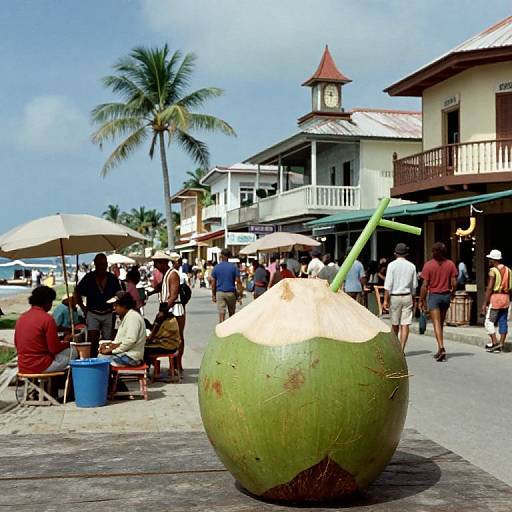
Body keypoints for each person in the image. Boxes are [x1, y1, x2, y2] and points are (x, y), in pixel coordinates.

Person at [14, 286, 77, 373]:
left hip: (23, 365)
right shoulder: (47, 319)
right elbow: (53, 349)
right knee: (74, 351)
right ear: (47, 302)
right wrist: (66, 342)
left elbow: (17, 344)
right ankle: (62, 383)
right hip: (41, 365)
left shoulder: (22, 317)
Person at [75, 253, 122, 357]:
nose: (102, 266)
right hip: (93, 313)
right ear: (95, 264)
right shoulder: (89, 277)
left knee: (108, 341)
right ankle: (93, 360)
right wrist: (83, 308)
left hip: (108, 313)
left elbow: (118, 293)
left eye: (104, 264)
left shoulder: (112, 278)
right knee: (93, 340)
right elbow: (77, 292)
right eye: (100, 264)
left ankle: (107, 363)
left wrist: (118, 301)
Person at [419, 242, 457, 362]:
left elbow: (424, 285)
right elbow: (454, 283)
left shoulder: (428, 265)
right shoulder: (450, 264)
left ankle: (441, 348)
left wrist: (421, 299)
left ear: (434, 252)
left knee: (436, 322)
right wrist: (452, 293)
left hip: (434, 296)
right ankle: (439, 348)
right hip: (446, 296)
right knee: (440, 323)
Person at [151, 251, 186, 371]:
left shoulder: (173, 274)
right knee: (165, 337)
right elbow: (160, 288)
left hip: (174, 309)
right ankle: (174, 364)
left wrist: (163, 312)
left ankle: (178, 364)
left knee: (178, 337)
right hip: (166, 307)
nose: (155, 266)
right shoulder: (166, 274)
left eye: (156, 263)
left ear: (163, 263)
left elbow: (174, 295)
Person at [383, 243, 418, 351]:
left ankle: (395, 348)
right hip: (407, 296)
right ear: (406, 254)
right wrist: (413, 298)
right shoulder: (412, 266)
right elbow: (414, 286)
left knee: (394, 323)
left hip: (395, 297)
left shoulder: (391, 265)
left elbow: (388, 285)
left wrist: (385, 300)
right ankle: (402, 348)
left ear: (395, 253)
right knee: (405, 323)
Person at [98, 291, 145, 367]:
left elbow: (131, 340)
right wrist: (110, 345)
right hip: (126, 355)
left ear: (124, 305)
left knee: (101, 359)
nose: (114, 308)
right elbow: (123, 340)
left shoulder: (132, 317)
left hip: (131, 357)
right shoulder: (127, 317)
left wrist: (112, 350)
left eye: (116, 306)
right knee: (100, 355)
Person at [482, 249, 511, 353]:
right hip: (506, 298)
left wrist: (485, 303)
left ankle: (495, 343)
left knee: (488, 322)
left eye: (490, 259)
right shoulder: (509, 270)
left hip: (496, 299)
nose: (489, 260)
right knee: (503, 322)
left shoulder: (493, 271)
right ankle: (501, 344)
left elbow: (490, 288)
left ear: (494, 260)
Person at [211, 248, 243, 323]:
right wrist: (239, 294)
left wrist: (213, 295)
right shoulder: (233, 267)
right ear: (229, 256)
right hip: (231, 293)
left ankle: (221, 330)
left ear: (221, 256)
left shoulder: (216, 267)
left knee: (221, 314)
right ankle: (230, 329)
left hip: (220, 293)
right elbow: (238, 281)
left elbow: (213, 283)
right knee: (232, 314)